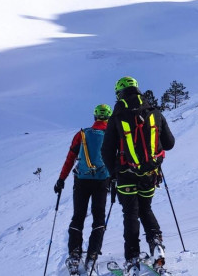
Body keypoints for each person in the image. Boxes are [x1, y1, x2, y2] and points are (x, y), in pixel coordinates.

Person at [101, 76, 175, 276]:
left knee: (130, 214)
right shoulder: (154, 111)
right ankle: (156, 244)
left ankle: (132, 258)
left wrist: (113, 174)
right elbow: (169, 143)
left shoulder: (117, 116)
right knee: (146, 209)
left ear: (119, 94)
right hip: (150, 173)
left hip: (125, 175)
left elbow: (106, 151)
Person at [54, 104, 113, 274]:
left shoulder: (81, 134)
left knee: (78, 216)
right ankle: (93, 254)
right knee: (99, 217)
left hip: (81, 180)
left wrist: (61, 179)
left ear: (95, 117)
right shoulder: (112, 135)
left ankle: (74, 255)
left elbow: (70, 158)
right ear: (108, 118)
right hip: (102, 181)